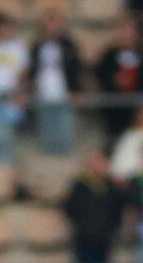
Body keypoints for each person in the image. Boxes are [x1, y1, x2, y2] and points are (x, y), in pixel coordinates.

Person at [28, 12, 83, 156]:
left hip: (63, 92)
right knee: (46, 126)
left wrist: (75, 89)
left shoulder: (68, 45)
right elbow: (32, 68)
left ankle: (63, 154)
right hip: (43, 93)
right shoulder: (37, 46)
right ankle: (47, 154)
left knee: (64, 127)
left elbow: (75, 68)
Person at [64, 148, 125, 263]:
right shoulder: (80, 186)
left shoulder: (110, 185)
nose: (100, 165)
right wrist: (82, 225)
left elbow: (118, 206)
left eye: (102, 161)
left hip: (105, 237)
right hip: (85, 237)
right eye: (97, 161)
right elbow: (71, 209)